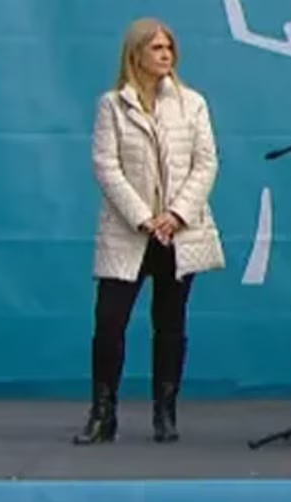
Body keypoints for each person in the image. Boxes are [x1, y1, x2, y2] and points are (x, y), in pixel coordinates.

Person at [75, 17, 225, 445]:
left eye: (169, 48)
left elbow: (206, 163)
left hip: (179, 232)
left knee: (170, 324)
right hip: (129, 232)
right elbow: (106, 165)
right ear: (136, 53)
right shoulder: (112, 105)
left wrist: (175, 215)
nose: (165, 55)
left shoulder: (192, 103)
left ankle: (165, 413)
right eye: (156, 48)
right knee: (110, 322)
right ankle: (103, 414)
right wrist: (143, 217)